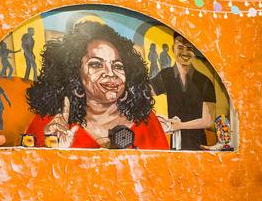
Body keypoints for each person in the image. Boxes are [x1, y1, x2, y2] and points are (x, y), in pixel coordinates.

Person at [24, 19, 168, 149]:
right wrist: (54, 151)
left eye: (118, 66)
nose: (111, 73)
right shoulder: (51, 124)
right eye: (96, 64)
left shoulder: (146, 122)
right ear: (73, 72)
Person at [150, 31, 216, 150]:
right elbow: (144, 94)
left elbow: (208, 121)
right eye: (180, 47)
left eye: (189, 48)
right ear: (173, 49)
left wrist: (179, 125)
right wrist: (157, 120)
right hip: (175, 143)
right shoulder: (165, 76)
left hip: (198, 143)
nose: (185, 52)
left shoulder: (204, 81)